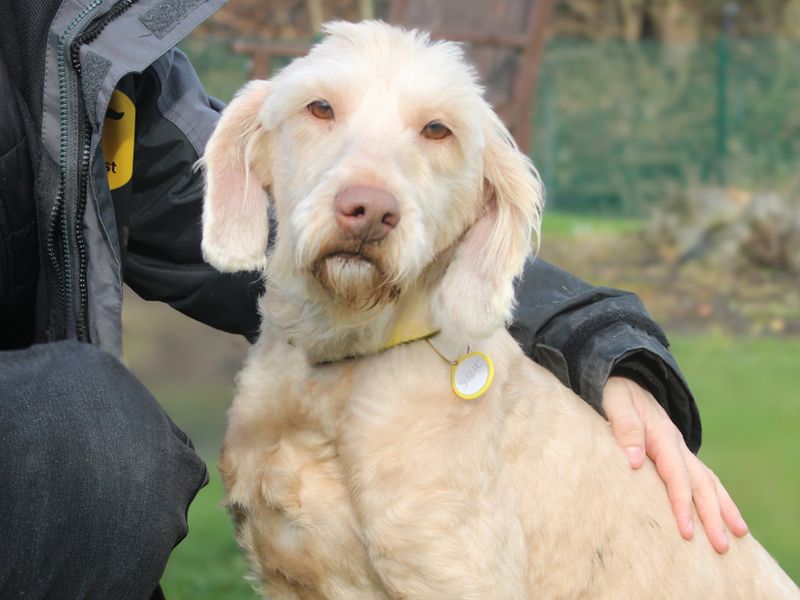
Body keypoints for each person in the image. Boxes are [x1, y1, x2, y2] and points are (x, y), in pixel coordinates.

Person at [0, 1, 747, 598]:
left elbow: (167, 181)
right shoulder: (267, 383)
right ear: (251, 158)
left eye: (433, 131)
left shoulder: (54, 46)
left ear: (486, 204)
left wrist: (592, 336)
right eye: (322, 112)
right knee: (93, 433)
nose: (371, 194)